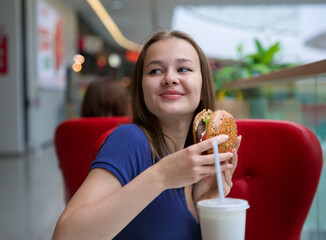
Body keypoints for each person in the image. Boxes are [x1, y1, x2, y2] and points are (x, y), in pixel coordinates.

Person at [52, 30, 241, 240]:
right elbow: (64, 236)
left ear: (203, 87)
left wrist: (206, 202)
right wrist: (161, 176)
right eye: (155, 71)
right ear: (141, 90)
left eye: (184, 69)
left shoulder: (201, 161)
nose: (170, 78)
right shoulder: (130, 140)